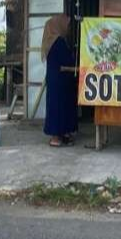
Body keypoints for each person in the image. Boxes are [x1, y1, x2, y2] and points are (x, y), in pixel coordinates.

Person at [41, 14, 78, 147]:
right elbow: (66, 60)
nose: (67, 28)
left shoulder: (52, 40)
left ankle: (63, 134)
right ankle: (56, 136)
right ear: (58, 25)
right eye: (66, 25)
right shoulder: (58, 42)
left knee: (61, 106)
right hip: (60, 80)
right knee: (59, 107)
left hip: (57, 79)